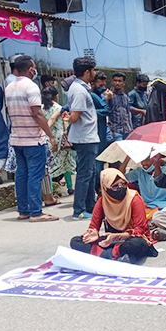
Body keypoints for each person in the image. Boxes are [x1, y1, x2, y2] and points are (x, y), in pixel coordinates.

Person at [5, 56, 59, 222]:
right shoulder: (31, 86)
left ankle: (24, 210)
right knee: (35, 175)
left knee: (22, 174)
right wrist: (51, 136)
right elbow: (37, 113)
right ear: (30, 69)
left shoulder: (9, 87)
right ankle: (36, 212)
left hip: (17, 138)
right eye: (34, 67)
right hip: (33, 139)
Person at [70, 169, 158, 263]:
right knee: (75, 241)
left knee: (137, 244)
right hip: (110, 240)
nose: (121, 188)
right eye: (115, 186)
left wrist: (116, 236)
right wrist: (93, 233)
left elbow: (139, 230)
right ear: (106, 188)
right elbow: (93, 226)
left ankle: (105, 254)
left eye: (123, 184)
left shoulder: (134, 199)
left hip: (130, 238)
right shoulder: (102, 201)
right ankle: (116, 255)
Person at [64, 57, 99, 220]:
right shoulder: (79, 90)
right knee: (85, 174)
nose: (95, 73)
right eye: (93, 70)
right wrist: (68, 118)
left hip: (88, 136)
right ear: (87, 72)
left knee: (90, 173)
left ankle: (90, 207)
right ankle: (79, 209)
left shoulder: (81, 88)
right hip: (85, 137)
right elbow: (75, 116)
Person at [119, 155, 166, 219]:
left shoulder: (165, 170)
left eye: (147, 159)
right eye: (142, 160)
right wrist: (127, 159)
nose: (144, 163)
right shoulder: (139, 171)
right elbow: (120, 177)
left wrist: (157, 165)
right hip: (148, 207)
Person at [41, 86, 76, 194]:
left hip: (45, 138)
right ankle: (70, 187)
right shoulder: (59, 108)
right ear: (56, 96)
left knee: (49, 165)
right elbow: (65, 122)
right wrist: (67, 133)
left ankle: (50, 191)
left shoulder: (40, 108)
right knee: (66, 163)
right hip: (59, 139)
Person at [108, 72, 133, 141]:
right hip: (115, 130)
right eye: (115, 81)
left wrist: (130, 128)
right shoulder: (109, 95)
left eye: (119, 81)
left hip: (127, 130)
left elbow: (128, 113)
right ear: (112, 82)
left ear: (123, 83)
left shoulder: (125, 97)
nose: (117, 83)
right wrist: (109, 130)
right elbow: (106, 113)